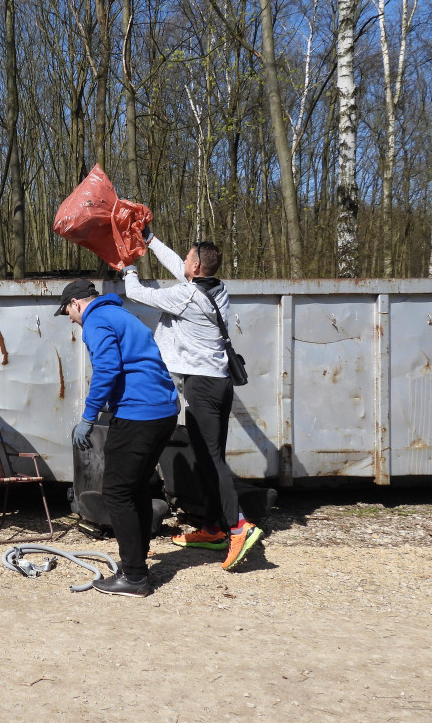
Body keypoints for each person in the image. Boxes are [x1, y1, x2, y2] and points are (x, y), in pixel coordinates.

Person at [122, 232, 264, 571]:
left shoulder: (186, 297)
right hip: (220, 384)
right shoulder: (217, 289)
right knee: (205, 457)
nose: (183, 262)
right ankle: (214, 528)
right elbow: (178, 266)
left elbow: (136, 293)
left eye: (188, 259)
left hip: (201, 386)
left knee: (212, 460)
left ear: (196, 266)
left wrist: (127, 266)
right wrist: (150, 239)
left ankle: (238, 525)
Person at [59, 278, 179, 597]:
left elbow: (107, 369)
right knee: (134, 487)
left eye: (68, 312)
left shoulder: (96, 319)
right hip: (163, 410)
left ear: (76, 304)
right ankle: (134, 564)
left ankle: (135, 577)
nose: (71, 319)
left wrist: (88, 417)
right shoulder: (122, 315)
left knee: (115, 491)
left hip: (139, 412)